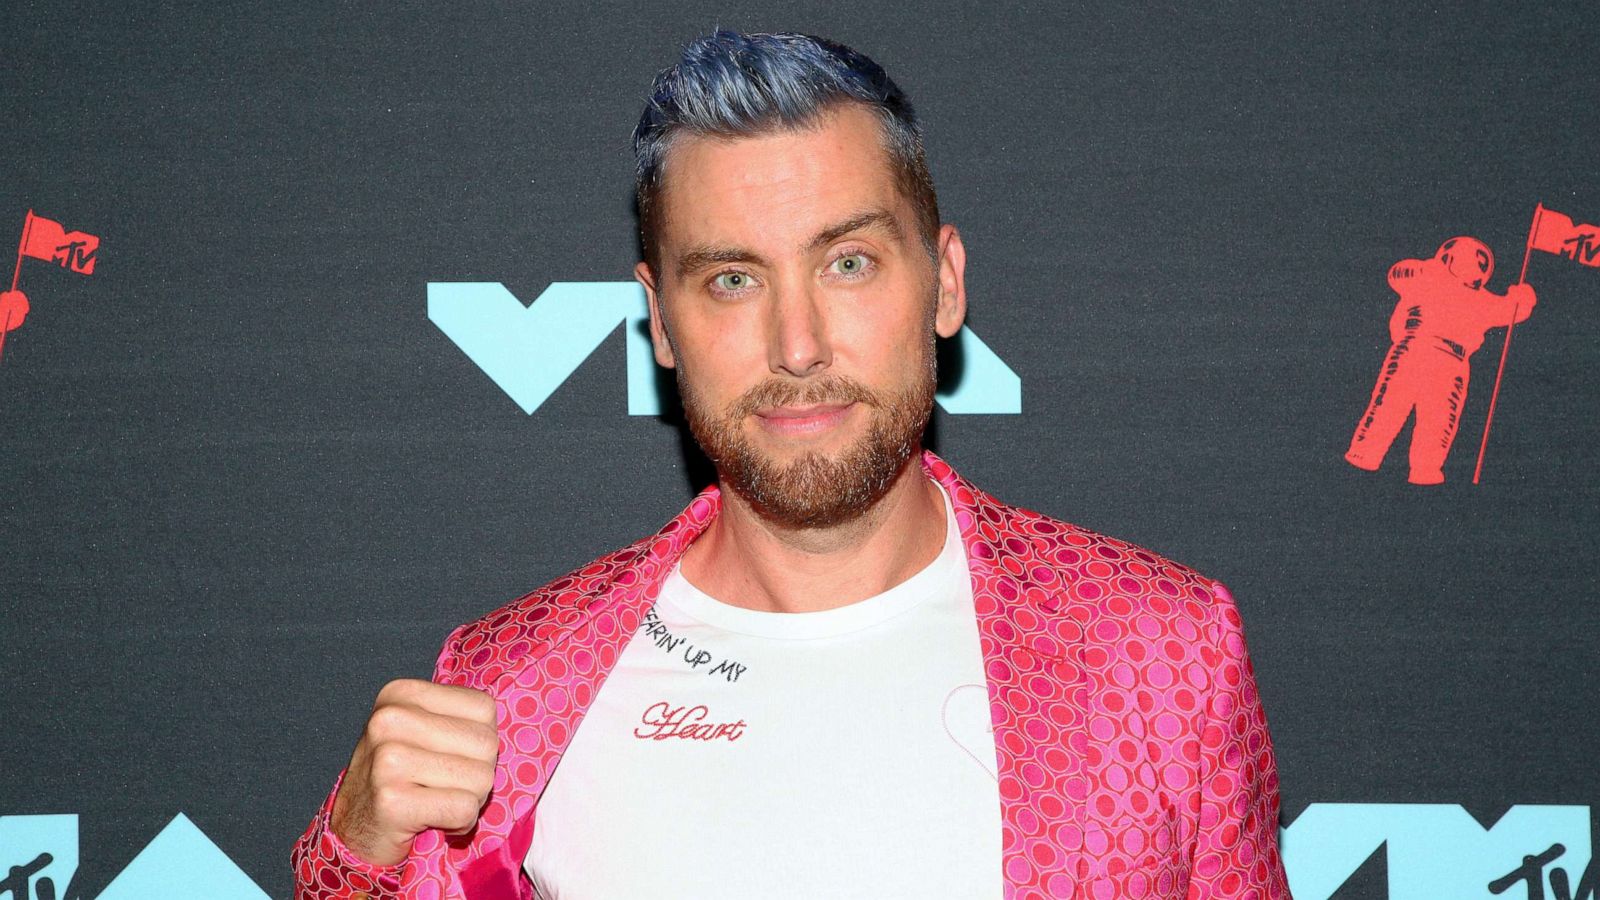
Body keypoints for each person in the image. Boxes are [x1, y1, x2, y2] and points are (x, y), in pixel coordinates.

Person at [293, 30, 1290, 900]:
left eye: (846, 262)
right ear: (661, 323)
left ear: (943, 284)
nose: (798, 343)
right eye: (731, 280)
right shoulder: (507, 685)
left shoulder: (1159, 652)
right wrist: (357, 862)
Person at [1345, 236, 1536, 484]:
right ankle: (1366, 454)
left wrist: (1523, 299)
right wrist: (1425, 268)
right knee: (1391, 405)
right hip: (1416, 348)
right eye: (1473, 260)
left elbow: (1510, 310)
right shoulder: (1427, 276)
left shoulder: (1480, 298)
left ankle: (1423, 470)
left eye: (1481, 264)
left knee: (1437, 419)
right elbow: (1396, 274)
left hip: (1450, 361)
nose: (1477, 268)